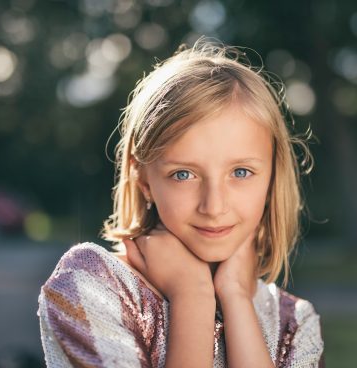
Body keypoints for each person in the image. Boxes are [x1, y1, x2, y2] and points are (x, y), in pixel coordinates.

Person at [38, 39, 325, 367]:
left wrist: (235, 297)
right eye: (184, 174)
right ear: (143, 179)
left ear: (273, 177)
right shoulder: (91, 286)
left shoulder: (296, 322)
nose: (214, 206)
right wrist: (192, 296)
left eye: (241, 172)